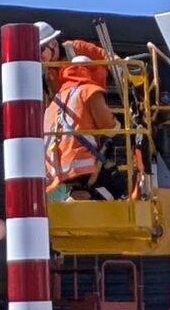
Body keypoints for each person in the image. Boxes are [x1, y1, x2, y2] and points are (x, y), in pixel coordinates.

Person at [43, 40, 120, 196]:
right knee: (117, 187)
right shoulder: (89, 90)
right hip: (81, 164)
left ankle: (78, 194)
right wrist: (119, 124)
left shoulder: (54, 102)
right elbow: (109, 127)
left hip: (56, 169)